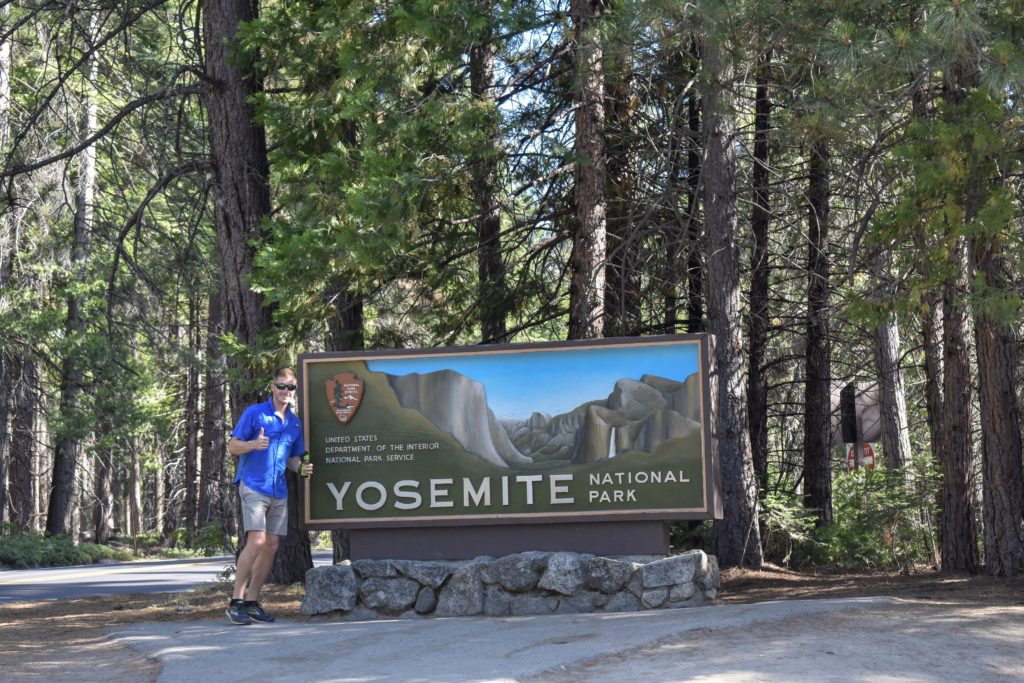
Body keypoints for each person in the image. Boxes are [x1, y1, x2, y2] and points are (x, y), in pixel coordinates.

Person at [225, 367, 312, 625]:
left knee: (272, 545)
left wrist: (302, 469)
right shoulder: (255, 413)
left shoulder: (294, 423)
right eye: (281, 386)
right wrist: (253, 444)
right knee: (258, 541)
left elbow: (293, 459)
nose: (286, 391)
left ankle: (252, 602)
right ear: (272, 388)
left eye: (291, 387)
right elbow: (232, 446)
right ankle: (235, 602)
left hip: (278, 490)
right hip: (253, 485)